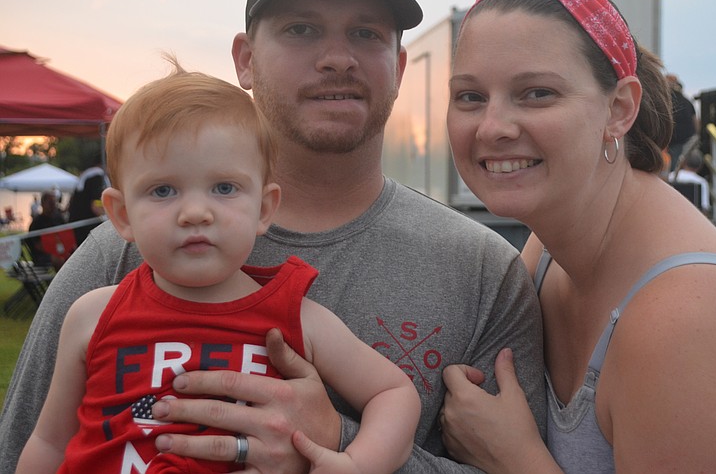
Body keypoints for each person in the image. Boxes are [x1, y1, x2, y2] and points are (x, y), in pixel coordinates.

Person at [0, 0, 546, 473]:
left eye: (367, 33)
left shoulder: (482, 272)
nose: (339, 57)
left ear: (399, 67)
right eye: (301, 29)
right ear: (244, 59)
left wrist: (330, 443)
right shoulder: (118, 257)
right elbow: (25, 447)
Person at [439, 0, 716, 472]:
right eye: (470, 96)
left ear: (619, 108)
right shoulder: (547, 253)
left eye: (537, 93)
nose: (493, 126)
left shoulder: (687, 323)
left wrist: (516, 460)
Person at [16, 63, 421, 474]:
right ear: (121, 215)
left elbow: (393, 393)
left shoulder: (295, 319)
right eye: (163, 190)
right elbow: (49, 441)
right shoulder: (92, 315)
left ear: (264, 209)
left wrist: (357, 463)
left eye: (224, 188)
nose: (195, 213)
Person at [66, 152, 107, 245]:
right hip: (86, 225)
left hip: (77, 224)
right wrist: (108, 219)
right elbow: (95, 204)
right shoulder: (96, 175)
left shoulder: (87, 174)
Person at [26, 189, 69, 270]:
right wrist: (56, 250)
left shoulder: (59, 218)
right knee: (59, 259)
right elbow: (38, 245)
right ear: (42, 204)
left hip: (60, 250)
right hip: (42, 255)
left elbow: (67, 235)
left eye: (54, 203)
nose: (53, 206)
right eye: (50, 203)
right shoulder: (36, 222)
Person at [666, 73, 699, 174]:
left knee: (674, 169)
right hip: (689, 141)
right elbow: (695, 121)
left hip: (674, 141)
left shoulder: (667, 101)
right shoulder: (687, 101)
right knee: (688, 166)